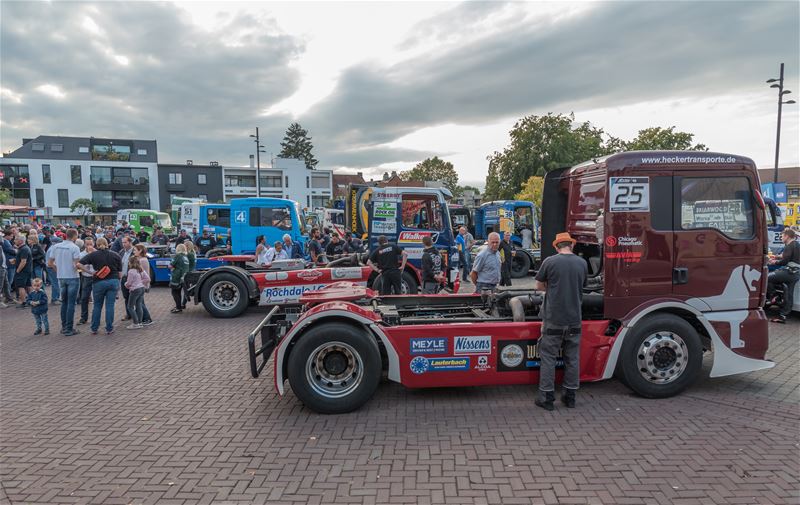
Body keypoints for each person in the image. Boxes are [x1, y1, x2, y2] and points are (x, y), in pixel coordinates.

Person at [533, 232, 588, 411]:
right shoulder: (582, 263)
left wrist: (552, 287)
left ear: (556, 246)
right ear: (571, 245)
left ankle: (546, 398)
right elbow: (582, 286)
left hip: (554, 319)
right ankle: (570, 397)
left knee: (548, 357)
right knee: (572, 358)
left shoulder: (550, 261)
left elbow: (539, 286)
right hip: (574, 319)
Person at [79, 237, 122, 335]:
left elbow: (79, 264)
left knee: (97, 306)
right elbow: (120, 273)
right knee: (110, 306)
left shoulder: (93, 255)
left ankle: (94, 328)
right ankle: (109, 328)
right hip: (113, 281)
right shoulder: (116, 255)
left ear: (96, 245)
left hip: (99, 282)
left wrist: (91, 272)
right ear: (107, 244)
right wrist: (118, 285)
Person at [47, 228, 82, 336]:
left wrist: (58, 270)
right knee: (71, 303)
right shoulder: (74, 247)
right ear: (75, 236)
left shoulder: (55, 246)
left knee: (64, 302)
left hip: (61, 277)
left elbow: (50, 263)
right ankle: (69, 328)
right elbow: (77, 265)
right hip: (72, 277)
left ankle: (64, 326)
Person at [767, 228, 800, 324]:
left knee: (766, 278)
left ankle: (774, 296)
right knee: (789, 294)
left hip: (788, 272)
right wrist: (776, 256)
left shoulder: (789, 245)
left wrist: (774, 262)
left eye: (782, 236)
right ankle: (783, 315)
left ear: (787, 236)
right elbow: (788, 256)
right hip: (796, 274)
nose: (781, 237)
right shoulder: (797, 244)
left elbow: (785, 261)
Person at [124, 255, 150, 329]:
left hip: (135, 290)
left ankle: (135, 323)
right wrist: (141, 282)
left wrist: (125, 284)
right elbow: (148, 278)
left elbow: (129, 283)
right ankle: (140, 322)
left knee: (130, 307)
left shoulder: (131, 271)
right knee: (139, 305)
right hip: (141, 288)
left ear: (130, 263)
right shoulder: (140, 270)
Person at [133, 243, 153, 325]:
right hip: (141, 284)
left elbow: (141, 273)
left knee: (140, 302)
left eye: (135, 250)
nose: (134, 252)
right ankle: (143, 318)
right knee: (140, 302)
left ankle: (147, 318)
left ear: (140, 251)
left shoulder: (142, 260)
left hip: (141, 284)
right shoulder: (142, 259)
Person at [77, 238, 96, 326]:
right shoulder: (81, 254)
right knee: (84, 298)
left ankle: (95, 317)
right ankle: (83, 318)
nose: (89, 246)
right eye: (87, 244)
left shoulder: (97, 253)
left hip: (96, 277)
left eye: (91, 244)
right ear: (84, 244)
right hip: (86, 277)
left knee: (96, 298)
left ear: (94, 244)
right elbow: (78, 266)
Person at [118, 236, 136, 323]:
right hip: (124, 278)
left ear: (130, 242)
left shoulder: (135, 252)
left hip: (133, 278)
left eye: (125, 242)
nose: (123, 244)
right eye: (122, 242)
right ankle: (128, 314)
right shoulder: (121, 252)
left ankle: (137, 314)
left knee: (135, 297)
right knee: (126, 297)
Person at [169, 243, 190, 313]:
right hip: (183, 276)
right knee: (178, 292)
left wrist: (172, 267)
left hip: (177, 276)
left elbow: (170, 265)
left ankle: (178, 307)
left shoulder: (178, 255)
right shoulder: (185, 256)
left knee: (174, 292)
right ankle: (179, 306)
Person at [14, 235, 33, 308]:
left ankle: (23, 302)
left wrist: (18, 270)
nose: (14, 240)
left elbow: (23, 261)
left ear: (21, 241)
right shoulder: (24, 248)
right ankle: (31, 301)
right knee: (28, 285)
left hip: (23, 271)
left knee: (21, 286)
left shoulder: (23, 249)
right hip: (27, 270)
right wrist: (15, 261)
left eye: (16, 239)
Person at [182, 240, 196, 309]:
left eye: (184, 245)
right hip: (191, 271)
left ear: (187, 246)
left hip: (188, 273)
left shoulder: (189, 254)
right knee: (186, 288)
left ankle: (184, 302)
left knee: (185, 288)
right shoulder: (193, 253)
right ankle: (183, 303)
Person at [0, 242, 7, 308]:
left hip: (3, 267)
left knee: (5, 284)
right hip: (1, 267)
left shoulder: (1, 247)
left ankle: (8, 298)